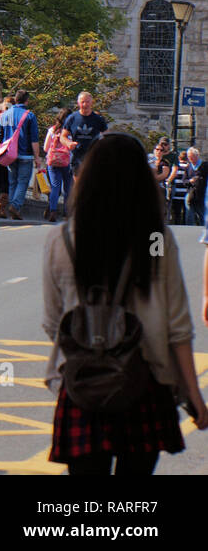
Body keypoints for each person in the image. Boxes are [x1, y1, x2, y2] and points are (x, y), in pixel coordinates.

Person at [43, 133, 208, 474]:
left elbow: (52, 321)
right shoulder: (155, 240)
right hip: (143, 381)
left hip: (84, 383)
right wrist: (193, 394)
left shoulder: (63, 239)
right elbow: (176, 326)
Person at [0, 89, 42, 221]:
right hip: (25, 154)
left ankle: (13, 206)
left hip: (10, 154)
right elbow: (34, 139)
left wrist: (3, 148)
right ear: (27, 101)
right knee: (22, 182)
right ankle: (15, 206)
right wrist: (37, 157)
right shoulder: (30, 115)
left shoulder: (5, 115)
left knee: (12, 182)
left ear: (15, 99)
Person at [62, 91, 108, 182]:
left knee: (91, 183)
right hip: (77, 155)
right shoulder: (72, 118)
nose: (85, 104)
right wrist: (68, 143)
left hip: (93, 155)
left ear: (91, 102)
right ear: (78, 103)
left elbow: (107, 136)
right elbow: (63, 136)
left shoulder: (98, 119)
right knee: (79, 185)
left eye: (87, 101)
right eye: (82, 102)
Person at [42, 108, 77, 223]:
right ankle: (67, 213)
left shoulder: (52, 130)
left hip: (53, 162)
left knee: (55, 187)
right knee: (68, 188)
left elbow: (45, 148)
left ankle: (53, 211)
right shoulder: (72, 131)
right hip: (68, 162)